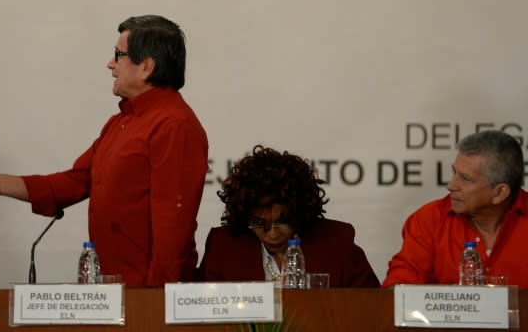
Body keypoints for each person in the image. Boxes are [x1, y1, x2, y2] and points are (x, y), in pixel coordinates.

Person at [0, 15, 208, 287]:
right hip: (115, 293)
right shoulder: (121, 123)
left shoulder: (174, 125)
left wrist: (154, 306)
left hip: (148, 298)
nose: (110, 64)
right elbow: (73, 182)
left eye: (119, 55)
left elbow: (172, 228)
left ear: (146, 66)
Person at [197, 145, 379, 287]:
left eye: (283, 222)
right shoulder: (223, 246)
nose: (273, 234)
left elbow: (371, 309)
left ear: (301, 213)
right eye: (260, 223)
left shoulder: (337, 242)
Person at [383, 130, 528, 288]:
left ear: (500, 193)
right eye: (454, 172)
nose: (450, 185)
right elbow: (397, 292)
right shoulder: (430, 219)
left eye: (465, 179)